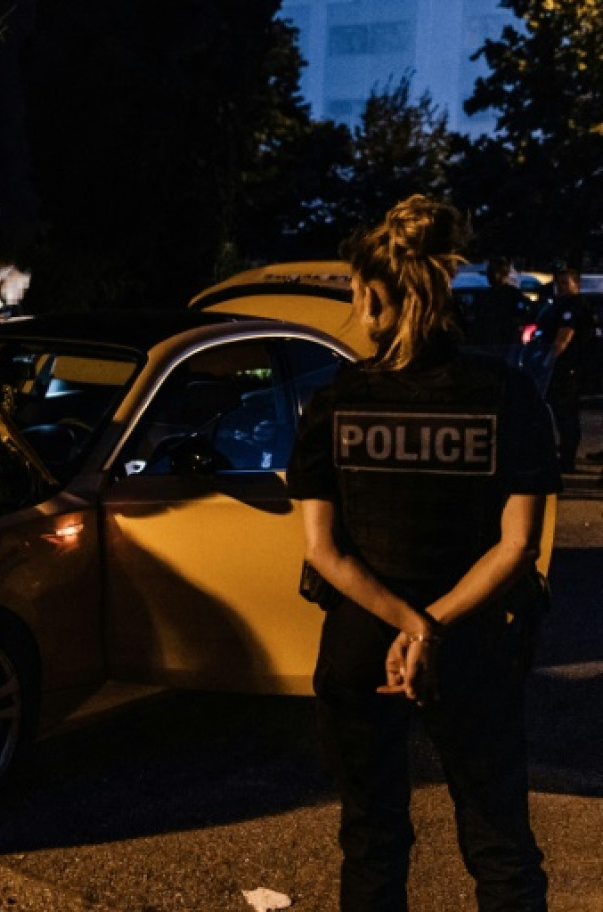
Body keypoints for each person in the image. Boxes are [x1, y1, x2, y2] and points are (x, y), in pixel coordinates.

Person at [288, 196, 556, 911]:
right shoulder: (509, 395)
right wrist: (435, 627)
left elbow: (324, 551)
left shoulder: (336, 401)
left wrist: (407, 625)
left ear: (375, 295)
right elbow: (518, 546)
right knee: (499, 841)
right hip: (473, 643)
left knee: (372, 837)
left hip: (362, 641)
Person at [534, 266, 593, 471]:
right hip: (561, 366)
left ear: (576, 283)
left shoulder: (574, 307)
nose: (561, 287)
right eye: (558, 283)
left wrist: (547, 361)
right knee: (561, 412)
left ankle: (567, 459)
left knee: (566, 413)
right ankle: (564, 454)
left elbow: (564, 337)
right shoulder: (559, 304)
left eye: (565, 283)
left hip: (567, 366)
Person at [463, 256, 531, 355]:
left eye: (493, 272)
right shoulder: (483, 296)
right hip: (486, 345)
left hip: (505, 345)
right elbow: (474, 319)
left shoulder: (513, 295)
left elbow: (522, 319)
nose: (490, 276)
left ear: (504, 274)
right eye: (489, 272)